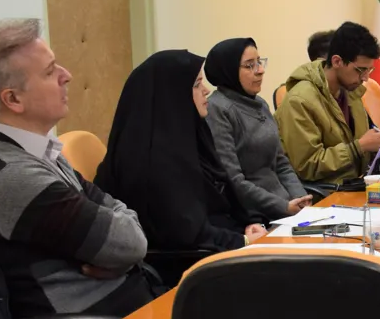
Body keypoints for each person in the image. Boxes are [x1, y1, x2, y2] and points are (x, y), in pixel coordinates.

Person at [0, 18, 152, 319]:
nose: (66, 75)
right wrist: (123, 252)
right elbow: (130, 243)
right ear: (13, 99)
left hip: (120, 313)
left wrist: (120, 255)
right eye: (49, 72)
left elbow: (122, 225)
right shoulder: (13, 176)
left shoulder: (37, 151)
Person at [95, 51, 267, 254]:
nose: (206, 91)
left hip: (220, 243)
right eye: (197, 85)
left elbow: (219, 198)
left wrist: (248, 224)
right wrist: (242, 240)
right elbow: (186, 232)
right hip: (185, 262)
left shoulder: (188, 135)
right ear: (172, 95)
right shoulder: (154, 161)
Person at [203, 37, 312, 221]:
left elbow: (281, 162)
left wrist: (302, 199)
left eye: (259, 62)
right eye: (249, 66)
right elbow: (233, 180)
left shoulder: (259, 104)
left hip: (286, 208)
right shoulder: (218, 109)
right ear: (229, 70)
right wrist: (284, 207)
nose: (260, 70)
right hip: (253, 216)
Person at [277, 21, 380, 184]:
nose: (365, 78)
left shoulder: (350, 90)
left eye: (369, 70)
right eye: (360, 70)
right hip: (326, 191)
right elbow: (307, 166)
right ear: (337, 61)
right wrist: (360, 147)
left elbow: (358, 147)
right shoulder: (299, 101)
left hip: (354, 182)